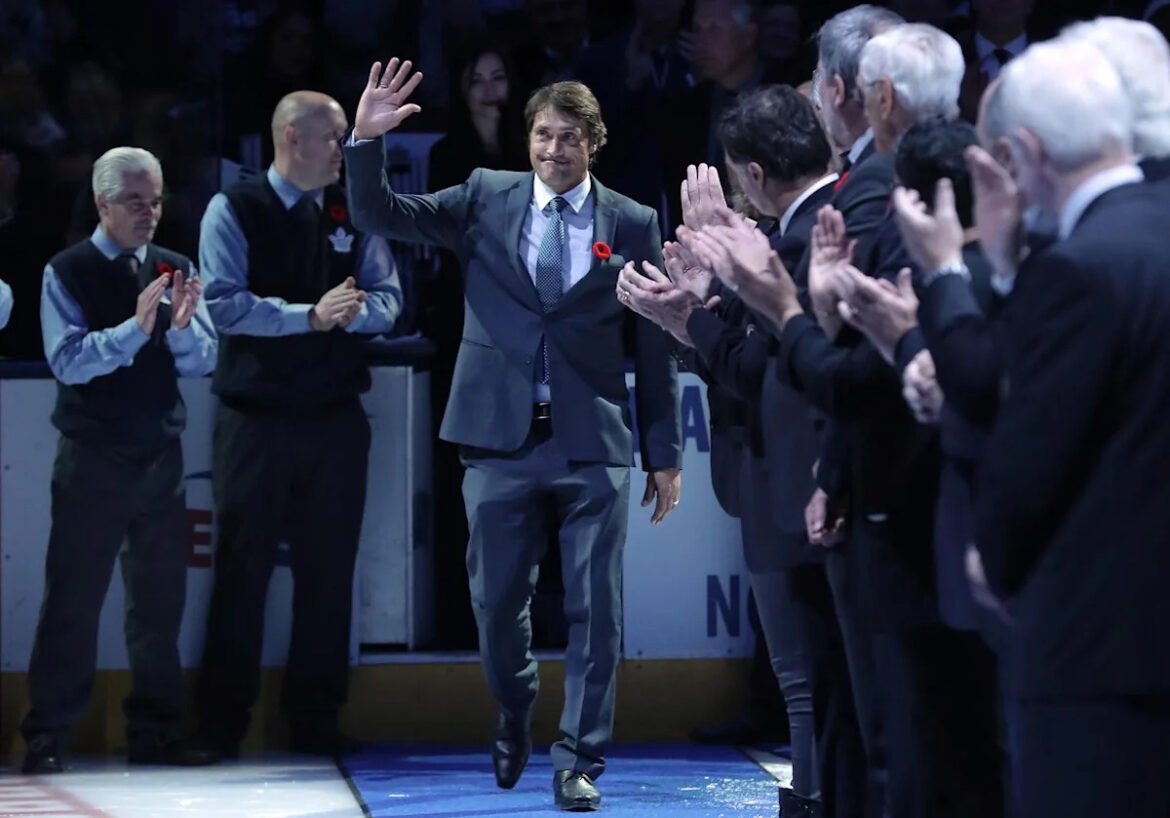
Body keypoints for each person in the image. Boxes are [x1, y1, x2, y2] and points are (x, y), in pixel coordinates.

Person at [345, 58, 682, 811]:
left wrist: (662, 452)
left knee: (598, 608)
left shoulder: (632, 222)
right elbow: (380, 214)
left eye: (569, 137)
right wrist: (365, 143)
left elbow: (654, 341)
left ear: (594, 142)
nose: (553, 149)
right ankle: (514, 704)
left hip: (592, 439)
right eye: (542, 135)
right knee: (497, 606)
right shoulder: (483, 195)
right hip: (498, 440)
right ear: (527, 138)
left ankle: (580, 759)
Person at [972, 39, 1170, 818]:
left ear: (1027, 152)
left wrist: (994, 557)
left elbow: (1029, 465)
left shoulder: (1077, 268)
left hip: (1096, 649)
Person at [195, 91, 402, 757]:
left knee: (328, 573)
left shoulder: (353, 209)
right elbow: (223, 305)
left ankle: (315, 719)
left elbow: (390, 299)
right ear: (292, 137)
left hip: (335, 417)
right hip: (255, 418)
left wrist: (354, 314)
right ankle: (221, 723)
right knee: (241, 571)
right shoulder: (235, 208)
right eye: (335, 137)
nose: (344, 150)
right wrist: (308, 316)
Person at [20, 146, 219, 774]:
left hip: (160, 454)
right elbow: (68, 361)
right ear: (102, 203)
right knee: (73, 599)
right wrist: (135, 329)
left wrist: (180, 328)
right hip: (93, 456)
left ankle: (156, 732)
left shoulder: (174, 266)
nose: (149, 212)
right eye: (135, 200)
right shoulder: (68, 270)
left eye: (155, 200)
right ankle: (47, 734)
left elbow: (204, 360)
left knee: (158, 604)